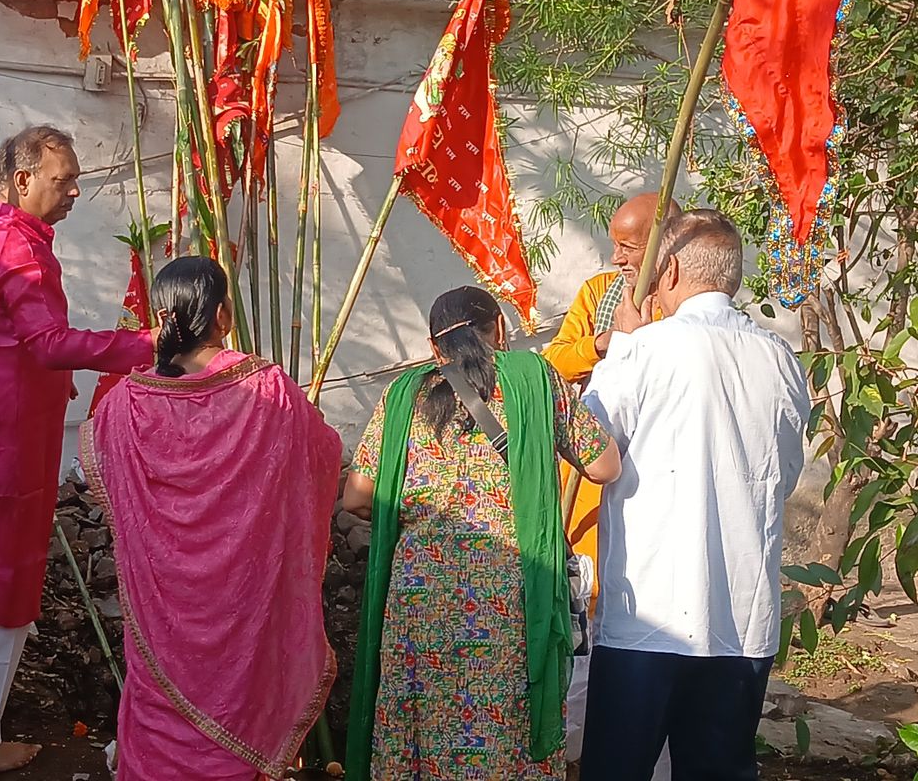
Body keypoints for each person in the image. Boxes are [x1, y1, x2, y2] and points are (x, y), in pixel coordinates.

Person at [0, 126, 157, 775]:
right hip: (6, 448)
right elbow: (47, 343)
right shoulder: (19, 250)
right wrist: (142, 346)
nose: (76, 188)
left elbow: (14, 344)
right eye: (65, 178)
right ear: (23, 181)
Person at [342, 286, 621, 781]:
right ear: (500, 330)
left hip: (418, 596)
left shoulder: (403, 395)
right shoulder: (534, 380)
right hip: (509, 599)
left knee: (423, 719)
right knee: (503, 722)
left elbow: (357, 497)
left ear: (434, 348)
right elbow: (604, 466)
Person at [82, 256, 342, 781]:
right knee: (238, 704)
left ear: (161, 317)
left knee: (158, 712)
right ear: (224, 315)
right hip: (246, 607)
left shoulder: (124, 404)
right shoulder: (269, 389)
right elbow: (322, 457)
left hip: (162, 617)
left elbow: (104, 476)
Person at [581, 210, 810, 781]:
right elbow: (784, 469)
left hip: (648, 616)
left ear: (673, 269)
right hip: (739, 617)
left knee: (617, 769)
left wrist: (622, 353)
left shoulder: (644, 351)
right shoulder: (781, 358)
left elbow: (592, 455)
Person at [543, 192, 679, 776]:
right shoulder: (599, 296)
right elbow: (555, 359)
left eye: (629, 245)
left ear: (664, 246)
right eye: (616, 243)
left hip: (657, 491)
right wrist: (609, 343)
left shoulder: (683, 307)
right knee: (582, 638)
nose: (618, 256)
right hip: (590, 495)